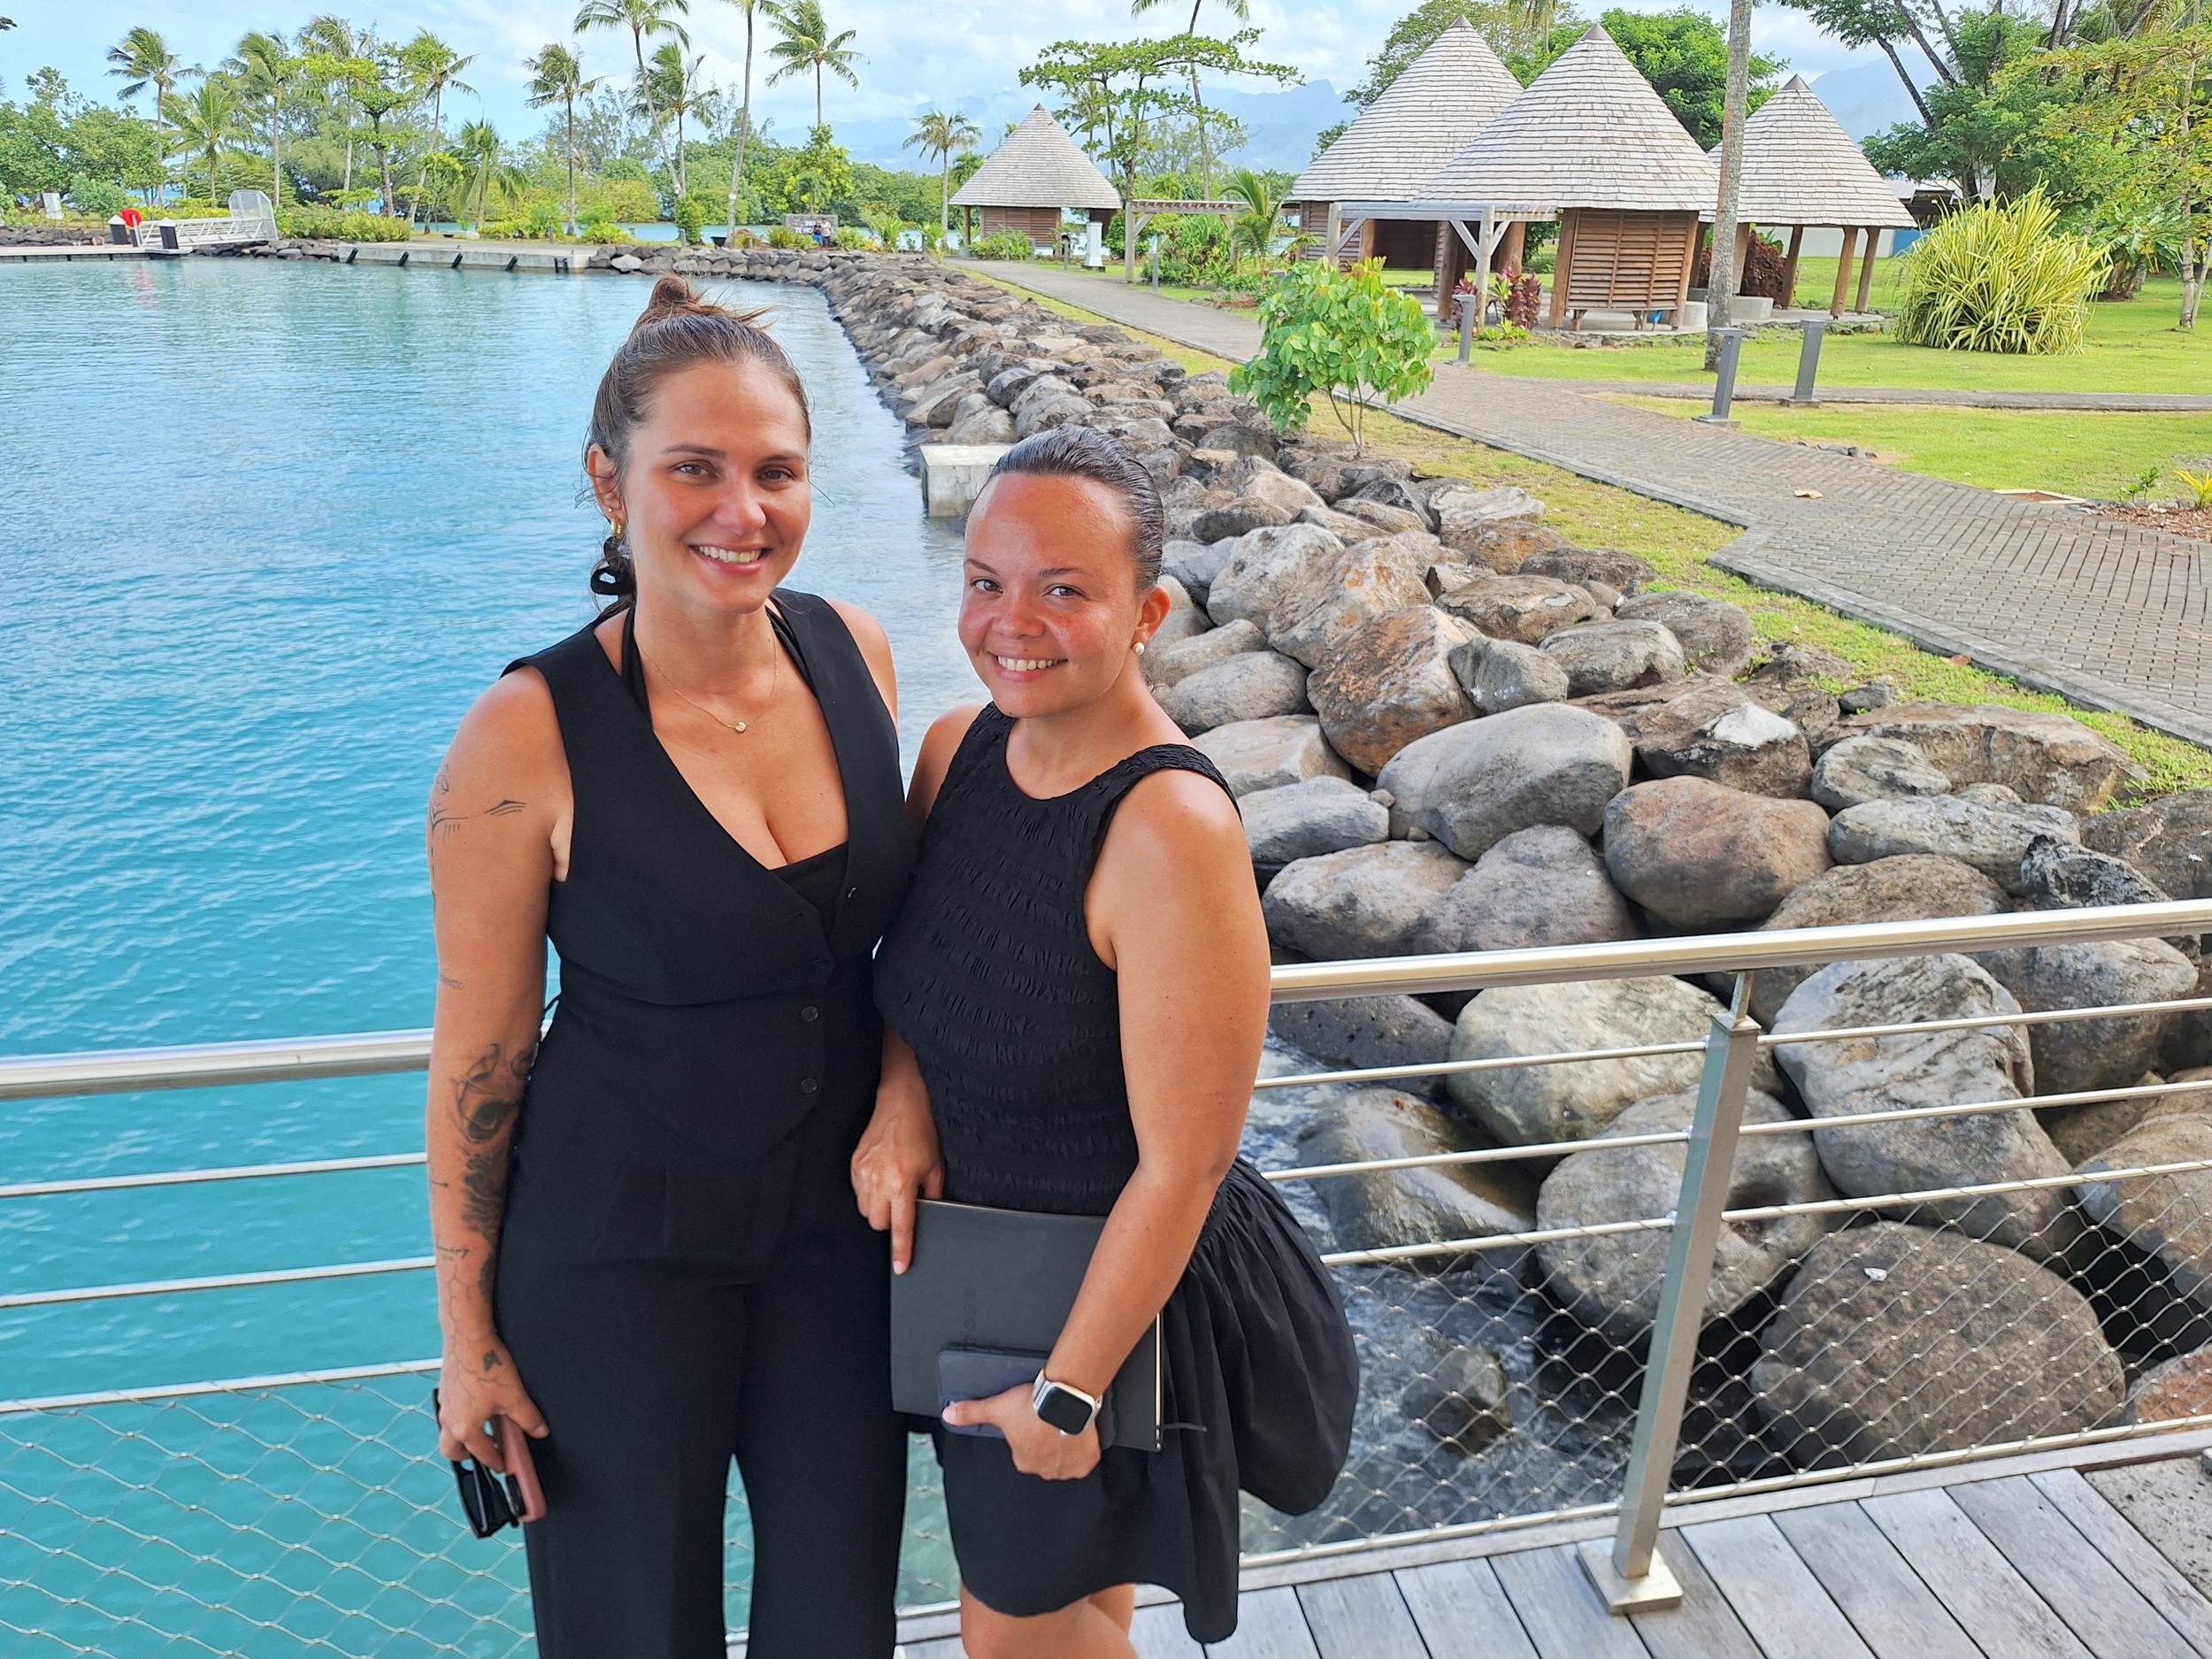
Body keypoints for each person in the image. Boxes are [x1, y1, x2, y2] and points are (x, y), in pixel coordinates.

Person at [425, 276, 910, 1659]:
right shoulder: (524, 736)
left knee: (838, 1621)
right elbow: (480, 1053)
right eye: (692, 469)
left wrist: (913, 1095)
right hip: (613, 1261)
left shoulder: (855, 654)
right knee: (633, 1629)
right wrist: (467, 1334)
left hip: (838, 1248)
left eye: (775, 472)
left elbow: (906, 947)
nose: (738, 512)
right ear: (608, 481)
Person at [860, 426, 1358, 1655]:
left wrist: (1069, 1388)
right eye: (985, 582)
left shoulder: (1167, 828)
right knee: (1080, 1620)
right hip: (987, 1281)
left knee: (1014, 1638)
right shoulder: (955, 753)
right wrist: (900, 1094)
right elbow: (921, 974)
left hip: (1106, 1307)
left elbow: (1185, 1159)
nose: (1008, 621)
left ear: (1149, 614)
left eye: (1063, 589)